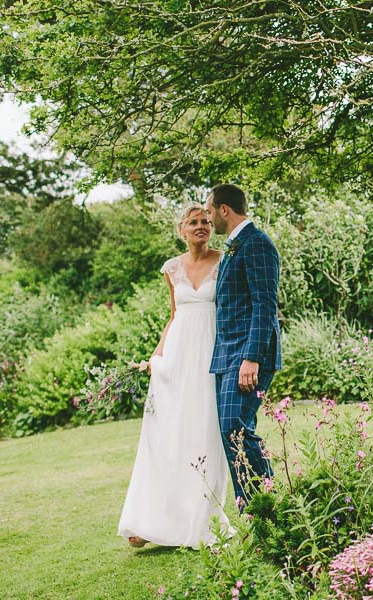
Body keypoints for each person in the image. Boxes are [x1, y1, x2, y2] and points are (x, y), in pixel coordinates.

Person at [118, 203, 232, 549]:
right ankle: (153, 520)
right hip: (179, 357)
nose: (201, 227)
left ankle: (201, 519)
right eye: (194, 222)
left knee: (205, 431)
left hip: (210, 355)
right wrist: (157, 356)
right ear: (182, 230)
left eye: (206, 222)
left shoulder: (223, 262)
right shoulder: (172, 269)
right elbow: (173, 317)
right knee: (168, 433)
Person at [206, 183, 282, 509]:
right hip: (227, 354)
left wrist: (251, 357)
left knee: (237, 426)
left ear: (224, 209)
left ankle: (268, 502)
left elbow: (264, 305)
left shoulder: (257, 244)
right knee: (230, 431)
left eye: (210, 211)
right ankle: (251, 511)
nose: (208, 219)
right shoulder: (234, 247)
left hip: (248, 354)